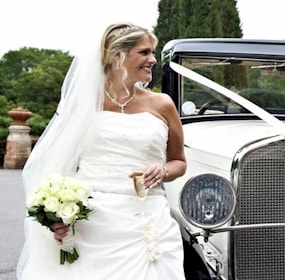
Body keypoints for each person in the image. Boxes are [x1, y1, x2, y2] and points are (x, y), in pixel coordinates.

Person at [17, 22, 187, 280]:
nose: (153, 59)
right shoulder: (82, 103)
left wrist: (163, 170)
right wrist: (56, 215)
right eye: (144, 52)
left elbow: (178, 162)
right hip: (91, 224)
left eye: (153, 52)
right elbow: (55, 164)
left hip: (147, 220)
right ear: (117, 56)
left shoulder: (163, 104)